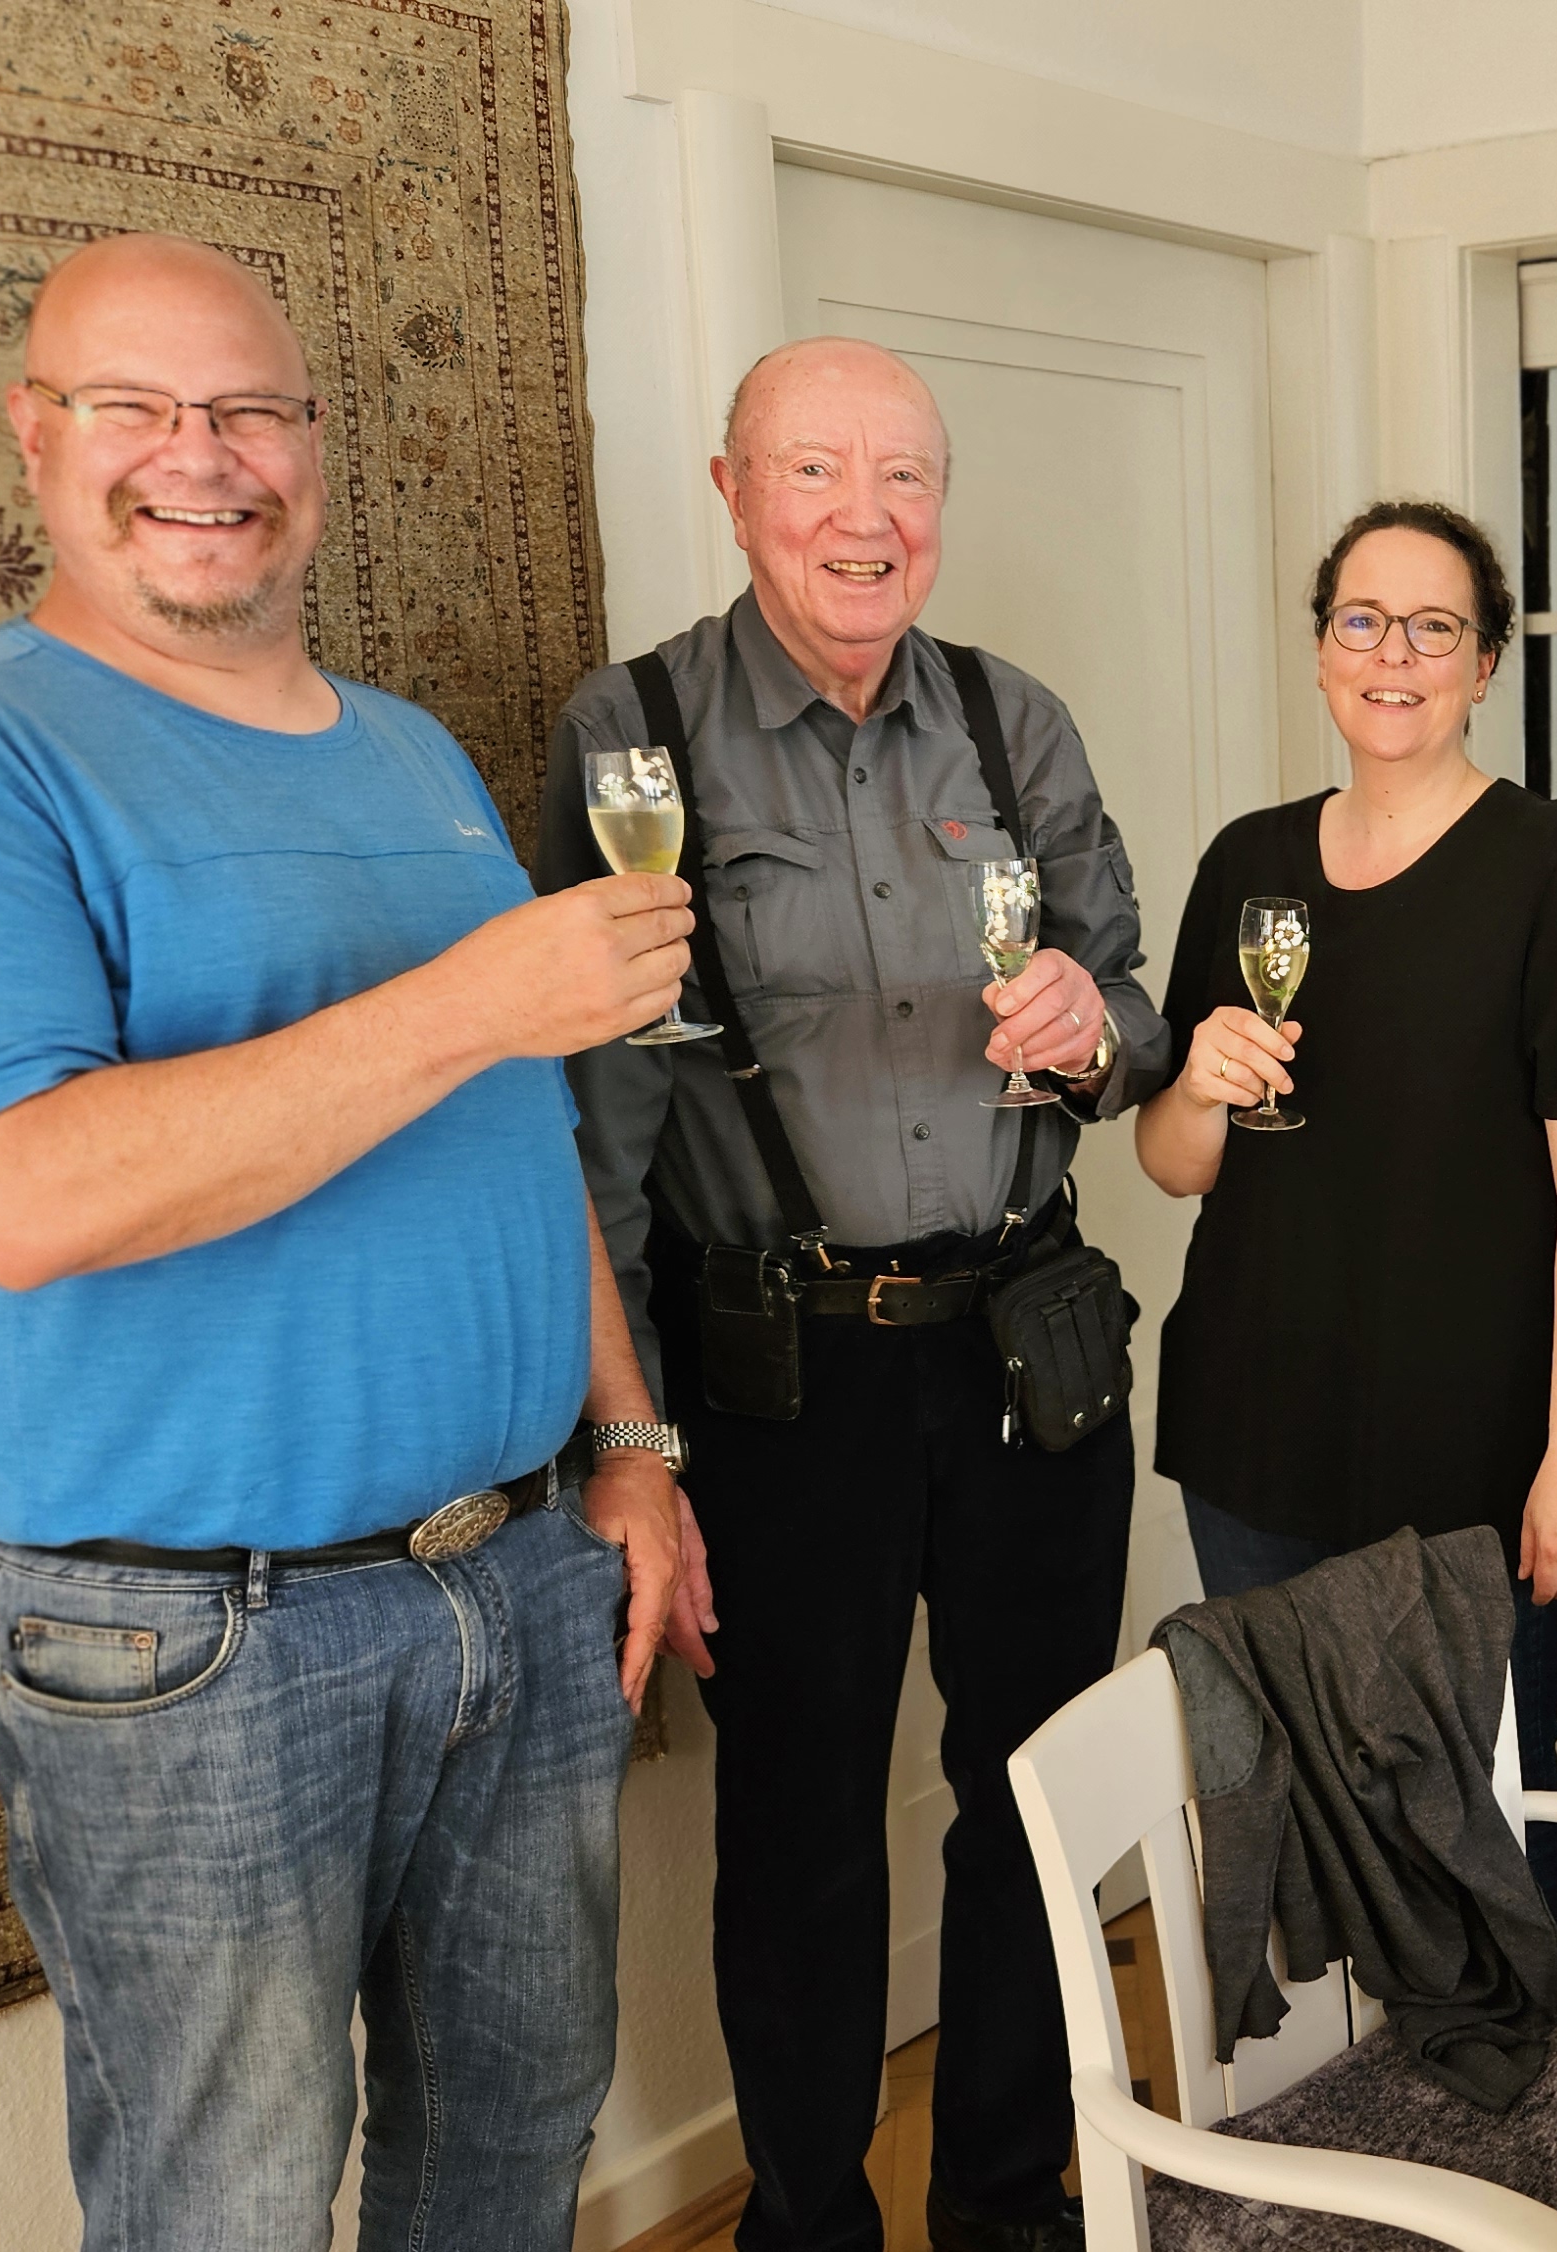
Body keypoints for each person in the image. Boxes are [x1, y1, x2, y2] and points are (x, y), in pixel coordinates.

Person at [0, 233, 700, 2250]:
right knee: (232, 2207)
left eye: (252, 409)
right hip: (186, 1640)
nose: (202, 454)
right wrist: (476, 997)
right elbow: (24, 1196)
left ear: (315, 446)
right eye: (136, 406)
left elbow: (524, 1131)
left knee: (514, 2150)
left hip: (516, 1579)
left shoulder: (409, 751)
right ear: (35, 435)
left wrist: (629, 1444)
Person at [541, 336, 1171, 2252]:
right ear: (734, 494)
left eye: (905, 476)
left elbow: (1135, 1011)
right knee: (800, 1830)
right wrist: (631, 1440)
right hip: (781, 1377)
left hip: (1026, 1353)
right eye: (816, 471)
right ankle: (809, 2222)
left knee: (1033, 1799)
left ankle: (1005, 2199)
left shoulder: (1008, 718)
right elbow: (593, 1122)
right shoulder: (634, 732)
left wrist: (1090, 1031)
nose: (865, 517)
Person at [1132, 500, 1557, 1982]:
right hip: (1256, 1430)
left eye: (1435, 628)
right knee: (1294, 1798)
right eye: (1363, 621)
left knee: (1485, 1799)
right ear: (1321, 650)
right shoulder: (1248, 862)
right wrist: (1197, 1085)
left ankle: (1531, 2095)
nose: (1394, 656)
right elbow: (1172, 1166)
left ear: (1484, 665)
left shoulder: (1554, 866)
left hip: (1471, 1451)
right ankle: (1338, 2104)